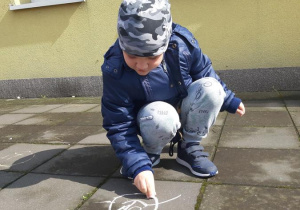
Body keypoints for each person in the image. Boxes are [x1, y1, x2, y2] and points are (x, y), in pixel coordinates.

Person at [101, 0, 245, 199]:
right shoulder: (114, 68)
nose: (141, 65)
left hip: (182, 106)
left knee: (212, 89)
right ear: (121, 44)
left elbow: (204, 71)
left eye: (152, 57)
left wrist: (228, 98)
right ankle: (150, 152)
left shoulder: (182, 45)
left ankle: (190, 146)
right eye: (132, 55)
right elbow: (118, 123)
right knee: (160, 114)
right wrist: (136, 165)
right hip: (152, 119)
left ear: (166, 43)